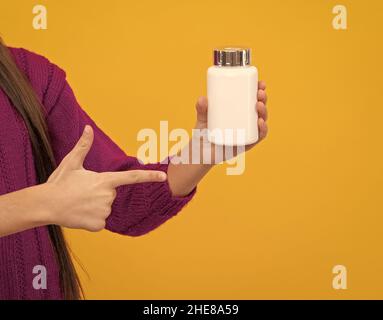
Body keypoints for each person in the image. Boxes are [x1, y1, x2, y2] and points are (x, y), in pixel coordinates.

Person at [0, 39, 268, 299]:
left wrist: (203, 152)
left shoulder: (29, 75)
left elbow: (121, 199)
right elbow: (54, 201)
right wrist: (40, 203)